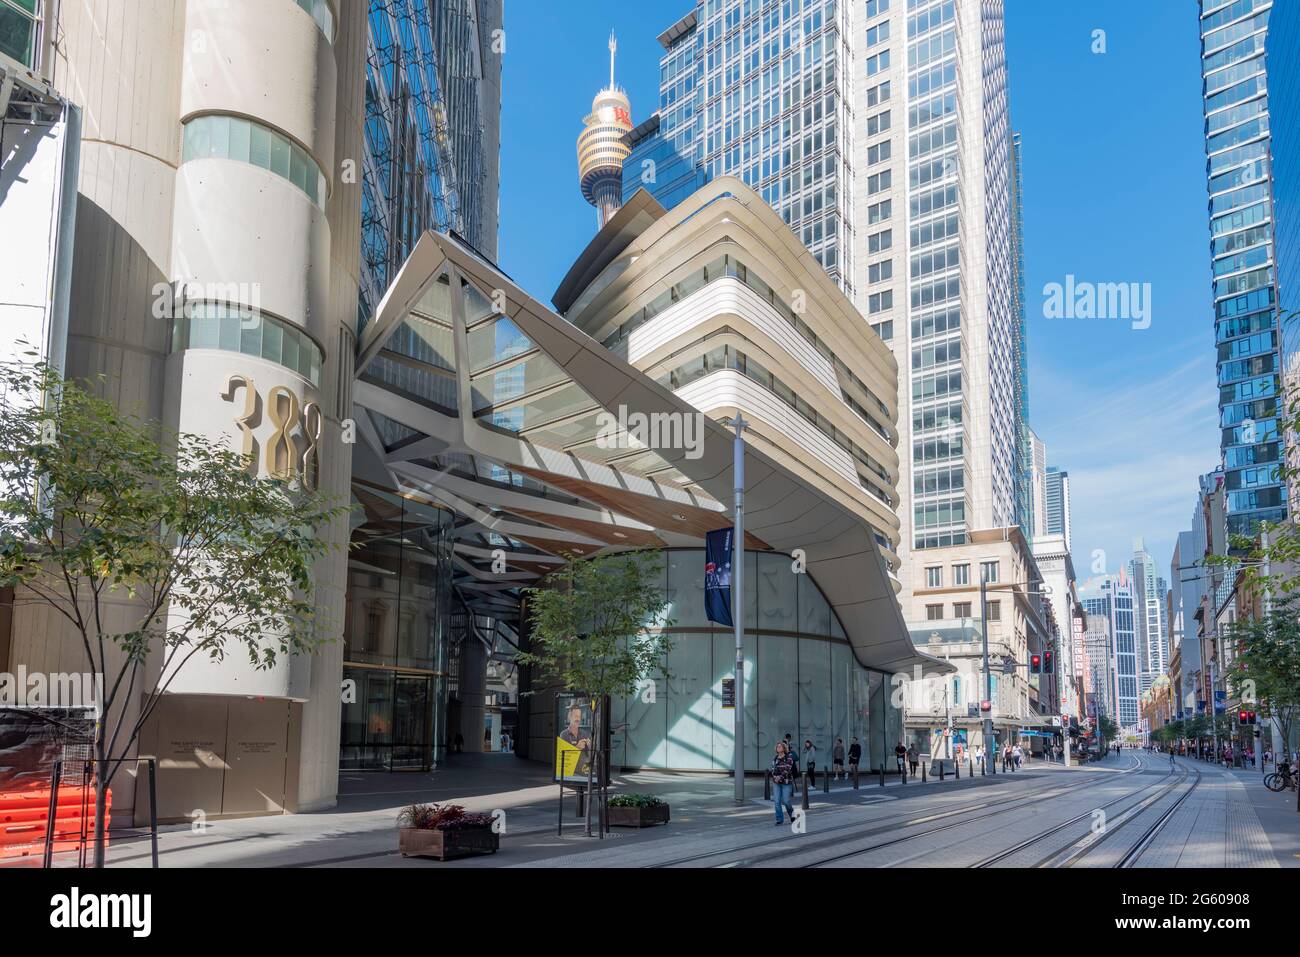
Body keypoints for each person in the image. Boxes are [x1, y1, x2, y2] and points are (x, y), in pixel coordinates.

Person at [770, 741, 796, 826]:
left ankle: (792, 815)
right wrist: (775, 777)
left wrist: (780, 777)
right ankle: (779, 820)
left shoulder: (789, 757)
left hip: (786, 782)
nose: (778, 748)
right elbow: (773, 770)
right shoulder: (775, 758)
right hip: (776, 783)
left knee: (786, 801)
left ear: (784, 748)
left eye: (780, 746)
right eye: (777, 747)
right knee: (777, 801)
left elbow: (787, 769)